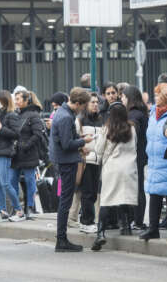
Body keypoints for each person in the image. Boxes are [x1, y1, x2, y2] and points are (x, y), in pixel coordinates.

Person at [50, 87, 93, 252]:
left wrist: (80, 143)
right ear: (77, 103)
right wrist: (84, 142)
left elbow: (65, 140)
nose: (84, 109)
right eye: (83, 105)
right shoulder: (66, 117)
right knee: (65, 202)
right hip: (66, 163)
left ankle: (62, 239)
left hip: (64, 161)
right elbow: (67, 144)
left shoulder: (63, 113)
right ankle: (61, 240)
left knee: (65, 200)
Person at [91, 102, 139, 251]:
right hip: (128, 168)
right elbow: (135, 146)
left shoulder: (107, 129)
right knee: (123, 198)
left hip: (112, 168)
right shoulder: (132, 128)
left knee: (106, 200)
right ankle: (126, 227)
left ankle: (100, 233)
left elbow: (98, 149)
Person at [140, 83, 167, 241]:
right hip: (154, 159)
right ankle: (153, 228)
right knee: (154, 193)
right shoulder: (153, 112)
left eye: (158, 95)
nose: (155, 98)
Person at [0, 90, 25, 223]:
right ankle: (3, 212)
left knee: (5, 183)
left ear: (3, 100)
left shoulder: (11, 115)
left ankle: (19, 211)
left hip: (4, 152)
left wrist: (1, 128)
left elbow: (16, 134)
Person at [11, 90, 44, 220]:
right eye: (15, 99)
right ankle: (17, 209)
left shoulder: (33, 115)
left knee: (30, 181)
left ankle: (30, 208)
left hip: (28, 153)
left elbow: (37, 134)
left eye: (18, 99)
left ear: (26, 100)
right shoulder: (16, 114)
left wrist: (26, 145)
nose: (16, 101)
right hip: (16, 153)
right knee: (11, 181)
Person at [74, 93, 103, 233]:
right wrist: (80, 148)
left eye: (97, 102)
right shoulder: (79, 120)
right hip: (85, 160)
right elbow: (73, 139)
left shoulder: (100, 120)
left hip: (97, 160)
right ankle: (86, 221)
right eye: (92, 102)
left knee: (93, 193)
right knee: (87, 192)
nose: (96, 104)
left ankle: (87, 220)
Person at [121, 85, 149, 230]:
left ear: (129, 98)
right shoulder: (141, 113)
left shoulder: (133, 115)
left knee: (136, 189)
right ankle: (137, 220)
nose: (121, 99)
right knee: (138, 188)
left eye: (123, 97)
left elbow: (130, 136)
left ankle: (137, 220)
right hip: (140, 155)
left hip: (134, 155)